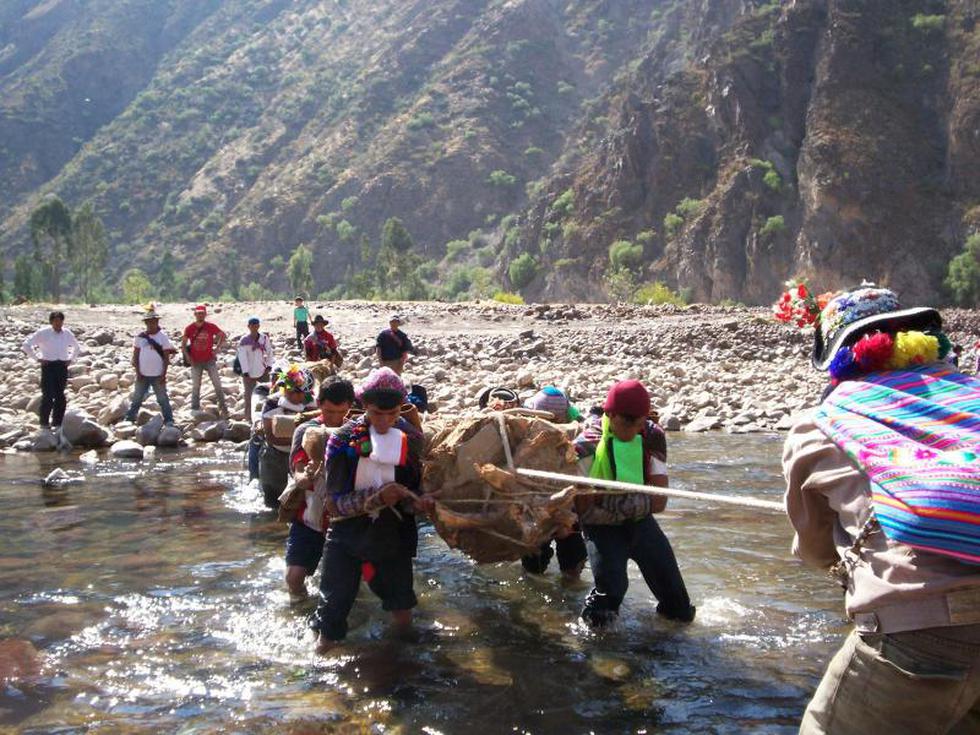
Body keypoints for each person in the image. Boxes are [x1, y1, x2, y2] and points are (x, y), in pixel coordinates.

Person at [782, 285, 980, 733]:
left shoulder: (821, 426)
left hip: (920, 631)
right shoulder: (973, 394)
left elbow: (815, 550)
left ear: (839, 360)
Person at [311, 368, 433, 652]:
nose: (386, 421)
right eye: (378, 413)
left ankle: (394, 658)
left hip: (393, 536)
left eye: (392, 414)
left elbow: (412, 490)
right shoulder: (341, 440)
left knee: (402, 609)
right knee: (331, 614)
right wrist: (377, 497)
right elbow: (335, 503)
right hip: (348, 536)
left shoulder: (409, 439)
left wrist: (419, 502)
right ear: (364, 406)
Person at [573, 380, 695, 627]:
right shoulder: (585, 447)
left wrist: (622, 505)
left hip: (640, 523)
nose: (632, 430)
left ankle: (671, 641)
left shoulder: (651, 437)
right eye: (626, 422)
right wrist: (629, 505)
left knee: (677, 602)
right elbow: (584, 509)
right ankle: (594, 646)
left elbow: (659, 500)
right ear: (609, 415)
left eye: (638, 423)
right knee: (610, 593)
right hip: (601, 527)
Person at [284, 377, 356, 604]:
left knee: (347, 580)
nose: (334, 418)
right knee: (294, 578)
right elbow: (297, 472)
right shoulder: (306, 431)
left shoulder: (356, 432)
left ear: (350, 407)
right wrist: (304, 477)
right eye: (328, 412)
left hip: (345, 517)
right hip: (310, 515)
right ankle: (301, 608)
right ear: (318, 403)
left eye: (340, 412)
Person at [259, 365, 317, 508]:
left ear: (307, 392)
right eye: (290, 392)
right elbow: (271, 438)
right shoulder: (272, 403)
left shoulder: (314, 405)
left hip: (303, 455)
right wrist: (298, 439)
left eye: (299, 393)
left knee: (303, 498)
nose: (294, 397)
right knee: (272, 500)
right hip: (276, 453)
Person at [21, 311, 82, 431]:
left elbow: (77, 347)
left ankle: (57, 422)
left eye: (60, 321)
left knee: (60, 395)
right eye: (55, 321)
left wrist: (71, 359)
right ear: (51, 322)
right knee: (48, 395)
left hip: (62, 366)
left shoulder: (67, 333)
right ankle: (44, 423)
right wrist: (37, 358)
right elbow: (26, 345)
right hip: (48, 365)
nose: (58, 324)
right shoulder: (43, 333)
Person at [124, 308, 177, 425]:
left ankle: (169, 420)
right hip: (142, 374)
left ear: (157, 322)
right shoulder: (140, 337)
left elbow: (166, 357)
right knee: (137, 398)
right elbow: (136, 356)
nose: (152, 324)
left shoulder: (163, 337)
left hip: (158, 374)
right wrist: (138, 373)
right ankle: (129, 418)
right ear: (146, 323)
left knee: (163, 399)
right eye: (150, 322)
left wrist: (163, 374)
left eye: (154, 321)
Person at [182, 305, 228, 417]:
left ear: (205, 314)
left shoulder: (210, 326)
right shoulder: (189, 328)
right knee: (196, 386)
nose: (200, 315)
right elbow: (183, 344)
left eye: (202, 313)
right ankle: (195, 408)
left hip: (209, 359)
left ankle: (223, 408)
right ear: (195, 314)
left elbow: (223, 335)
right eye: (198, 313)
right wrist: (188, 357)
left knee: (217, 384)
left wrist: (217, 349)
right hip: (195, 361)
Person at [236, 316, 275, 423]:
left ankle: (268, 415)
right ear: (248, 327)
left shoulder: (264, 338)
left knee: (268, 393)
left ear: (258, 326)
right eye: (252, 325)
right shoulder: (244, 340)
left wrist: (269, 366)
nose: (254, 327)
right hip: (248, 372)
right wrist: (245, 371)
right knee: (248, 395)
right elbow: (242, 357)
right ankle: (248, 417)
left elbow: (269, 352)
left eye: (256, 325)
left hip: (262, 370)